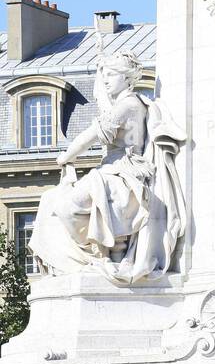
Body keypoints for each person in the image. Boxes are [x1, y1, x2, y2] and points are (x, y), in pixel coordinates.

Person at [29, 51, 185, 286]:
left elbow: (91, 134)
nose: (106, 80)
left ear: (127, 78)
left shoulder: (130, 104)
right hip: (110, 169)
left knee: (68, 205)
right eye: (105, 75)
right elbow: (103, 107)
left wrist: (66, 156)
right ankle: (94, 255)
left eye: (111, 74)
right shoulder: (122, 104)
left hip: (124, 172)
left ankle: (96, 255)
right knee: (50, 199)